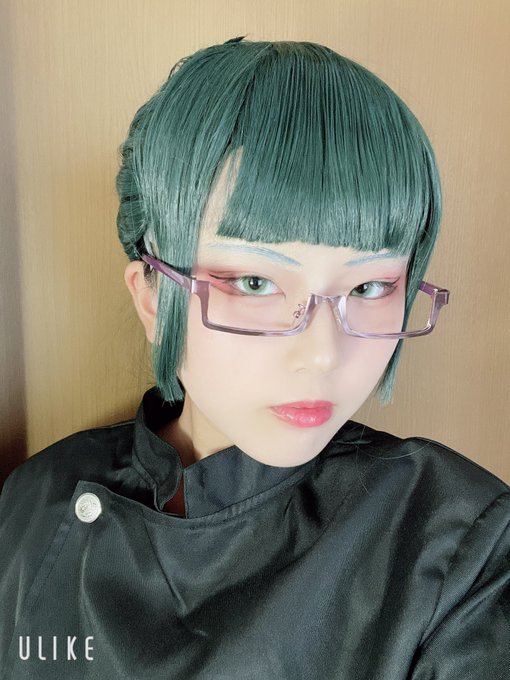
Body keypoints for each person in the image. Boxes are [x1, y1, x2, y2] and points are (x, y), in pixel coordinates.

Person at [0, 37, 508, 679]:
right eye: (255, 282)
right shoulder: (33, 501)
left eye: (369, 287)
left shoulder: (464, 550)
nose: (321, 354)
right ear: (152, 298)